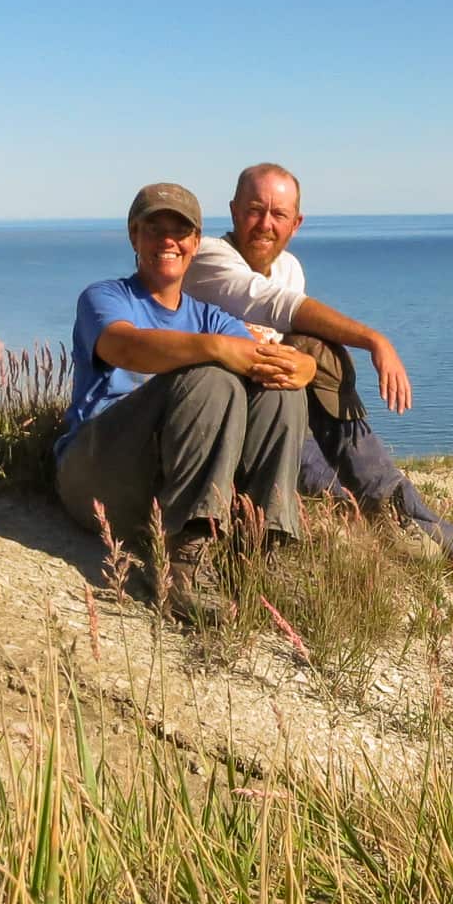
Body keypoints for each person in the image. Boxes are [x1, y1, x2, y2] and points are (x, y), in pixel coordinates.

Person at [183, 164, 453, 604]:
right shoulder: (208, 258)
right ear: (234, 210)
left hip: (289, 405)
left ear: (297, 224)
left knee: (377, 474)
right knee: (361, 508)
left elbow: (287, 330)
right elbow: (275, 305)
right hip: (249, 425)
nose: (265, 224)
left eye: (279, 214)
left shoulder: (289, 267)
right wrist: (374, 340)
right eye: (254, 209)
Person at [55, 182, 313, 620]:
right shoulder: (105, 297)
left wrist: (302, 368)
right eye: (154, 229)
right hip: (98, 476)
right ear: (134, 236)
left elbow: (265, 361)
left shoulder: (209, 315)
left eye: (181, 231)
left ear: (196, 242)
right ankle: (182, 563)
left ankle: (261, 549)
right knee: (211, 378)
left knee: (279, 391)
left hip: (165, 484)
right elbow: (126, 347)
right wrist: (213, 348)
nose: (168, 241)